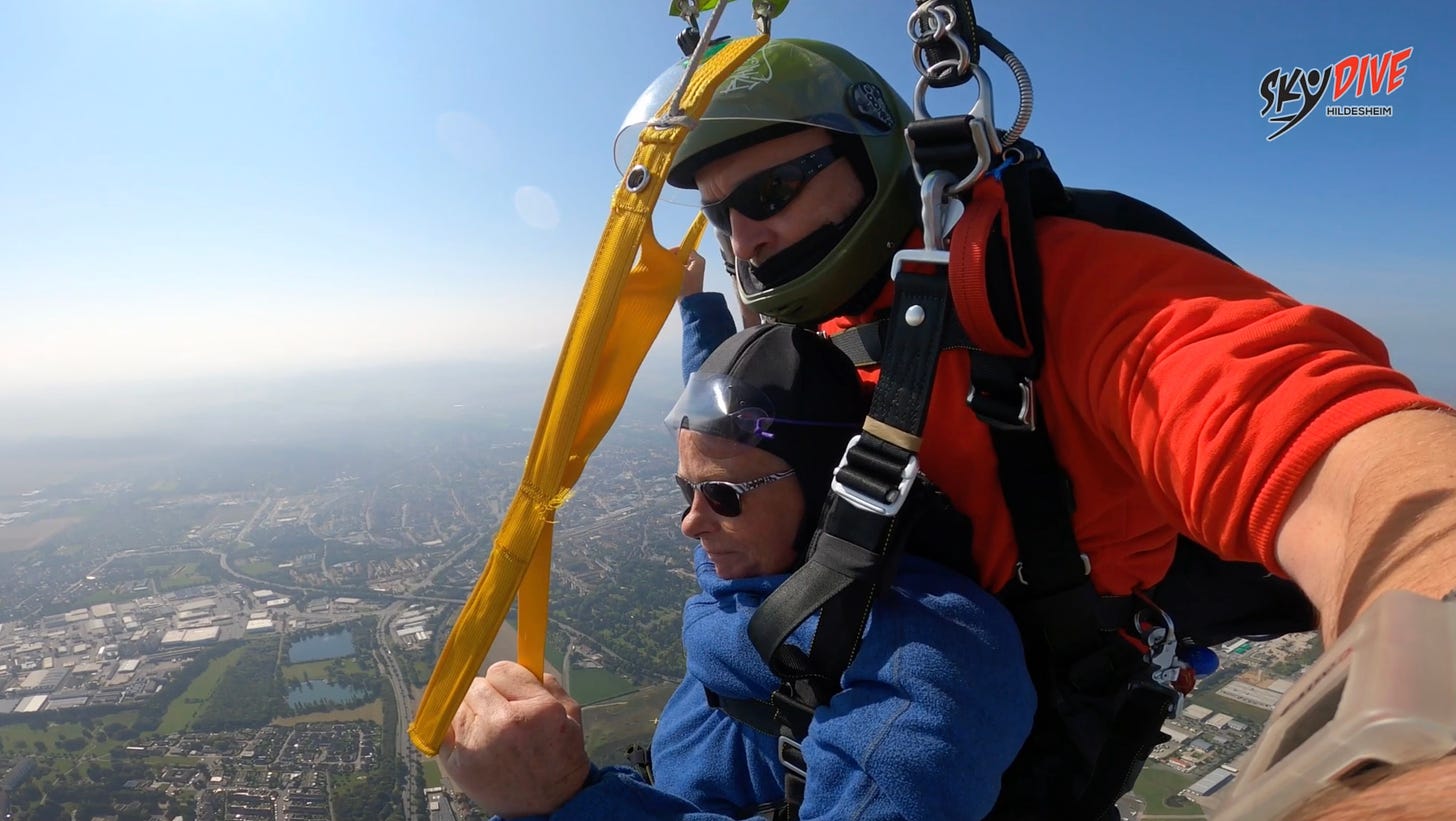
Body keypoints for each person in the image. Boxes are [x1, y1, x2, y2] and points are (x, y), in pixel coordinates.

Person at [647, 35, 1456, 818]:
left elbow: (1347, 455)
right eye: (722, 215)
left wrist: (1429, 733)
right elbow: (747, 399)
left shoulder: (1057, 293)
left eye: (770, 192)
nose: (744, 239)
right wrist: (698, 307)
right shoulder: (823, 328)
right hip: (830, 704)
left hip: (1010, 750)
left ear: (871, 159)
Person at [437, 323, 1037, 820]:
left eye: (721, 496)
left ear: (835, 497)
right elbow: (723, 411)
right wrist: (695, 304)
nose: (690, 525)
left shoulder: (931, 658)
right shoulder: (763, 547)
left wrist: (558, 799)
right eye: (685, 490)